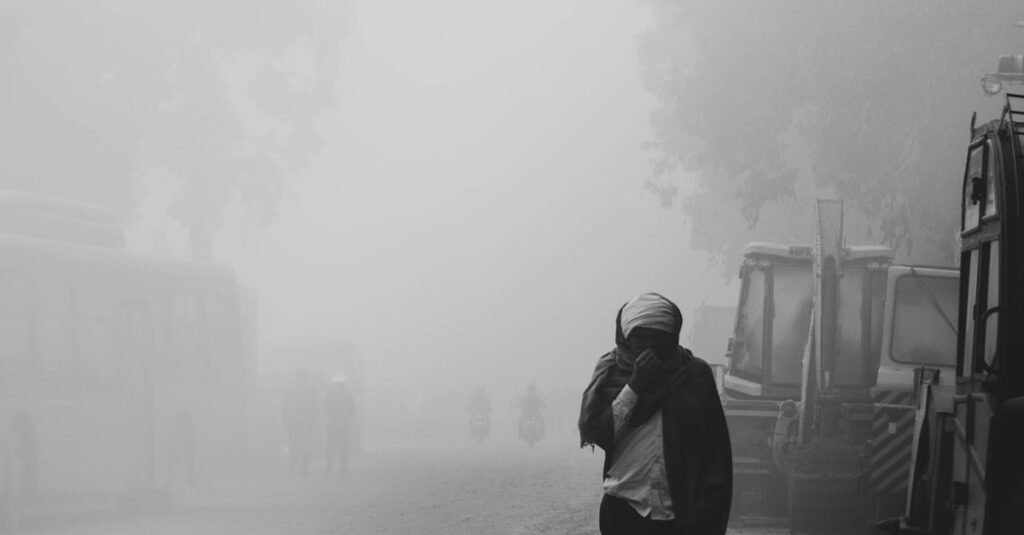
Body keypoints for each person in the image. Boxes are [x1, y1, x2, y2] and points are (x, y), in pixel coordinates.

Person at [579, 293, 732, 535]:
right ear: (626, 338)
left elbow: (715, 451)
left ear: (672, 338)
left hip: (683, 513)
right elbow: (601, 435)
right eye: (641, 337)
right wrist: (635, 386)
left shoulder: (695, 374)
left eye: (658, 337)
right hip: (624, 508)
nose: (649, 344)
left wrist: (710, 510)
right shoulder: (610, 373)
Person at [282, 370, 319, 476]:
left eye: (302, 378)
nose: (300, 381)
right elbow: (286, 405)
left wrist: (314, 421)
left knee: (302, 444)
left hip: (301, 422)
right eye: (299, 378)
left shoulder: (306, 390)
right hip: (298, 422)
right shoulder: (306, 390)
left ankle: (300, 465)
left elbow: (313, 406)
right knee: (296, 444)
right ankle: (296, 463)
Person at [323, 375, 355, 474]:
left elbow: (324, 408)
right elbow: (353, 411)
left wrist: (332, 417)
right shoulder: (348, 396)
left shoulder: (329, 395)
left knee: (331, 446)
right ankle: (342, 466)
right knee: (343, 446)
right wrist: (344, 416)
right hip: (342, 425)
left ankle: (329, 465)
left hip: (332, 425)